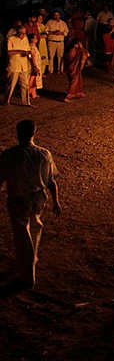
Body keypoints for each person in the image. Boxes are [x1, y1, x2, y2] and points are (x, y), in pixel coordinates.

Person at [0, 120, 61, 289]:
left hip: (18, 199)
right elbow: (51, 181)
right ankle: (31, 258)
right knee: (35, 226)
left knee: (22, 234)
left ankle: (28, 274)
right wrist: (56, 200)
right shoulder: (44, 154)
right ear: (35, 133)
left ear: (17, 133)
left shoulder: (9, 154)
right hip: (38, 197)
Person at [4, 26, 32, 107]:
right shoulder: (11, 39)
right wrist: (20, 51)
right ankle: (7, 100)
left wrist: (28, 54)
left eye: (24, 33)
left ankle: (26, 102)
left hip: (24, 65)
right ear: (17, 32)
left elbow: (28, 50)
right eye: (21, 33)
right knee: (11, 84)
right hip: (14, 65)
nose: (23, 35)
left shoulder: (25, 39)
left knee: (25, 85)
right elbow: (9, 52)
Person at [28, 33, 42, 100]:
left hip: (36, 65)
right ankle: (27, 93)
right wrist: (35, 66)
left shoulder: (34, 47)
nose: (36, 39)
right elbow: (31, 57)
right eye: (35, 38)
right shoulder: (31, 47)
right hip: (34, 66)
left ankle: (34, 94)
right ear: (31, 39)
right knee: (32, 80)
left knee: (35, 80)